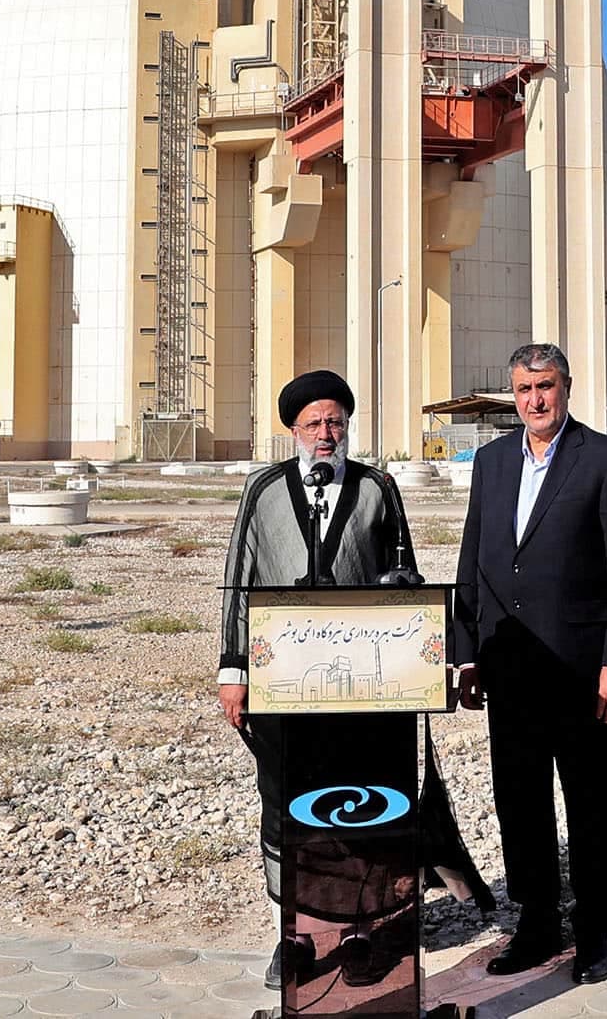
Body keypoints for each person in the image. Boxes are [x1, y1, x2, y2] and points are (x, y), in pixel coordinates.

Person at [454, 342, 607, 985]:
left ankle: (594, 926)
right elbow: (473, 559)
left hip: (581, 670)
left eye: (545, 387)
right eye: (523, 389)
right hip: (509, 666)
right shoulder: (491, 462)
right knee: (520, 800)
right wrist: (467, 652)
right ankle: (536, 922)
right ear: (512, 395)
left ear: (566, 387)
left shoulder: (606, 461)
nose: (535, 400)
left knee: (591, 800)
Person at [217, 369, 419, 990]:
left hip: (361, 687)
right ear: (294, 431)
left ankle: (360, 930)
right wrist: (233, 669)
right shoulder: (263, 490)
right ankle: (296, 935)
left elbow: (405, 578)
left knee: (360, 801)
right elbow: (240, 579)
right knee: (287, 802)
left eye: (335, 422)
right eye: (314, 424)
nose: (325, 433)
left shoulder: (378, 488)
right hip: (281, 685)